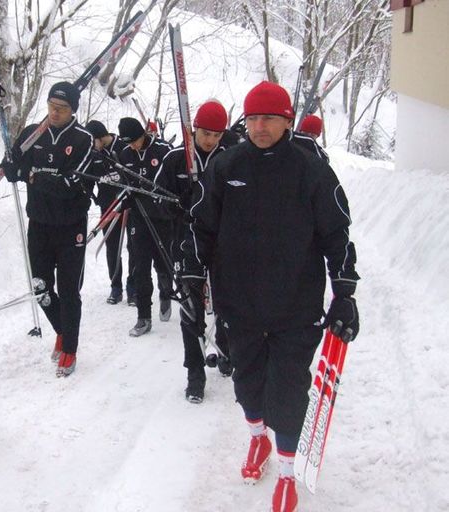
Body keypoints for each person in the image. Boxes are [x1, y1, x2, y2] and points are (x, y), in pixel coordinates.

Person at [188, 81, 360, 512]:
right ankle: (256, 441)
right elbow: (200, 228)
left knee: (287, 391)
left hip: (294, 307)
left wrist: (344, 294)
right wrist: (192, 276)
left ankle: (286, 473)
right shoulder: (226, 166)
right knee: (247, 386)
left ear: (287, 120)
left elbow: (336, 234)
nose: (260, 127)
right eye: (253, 119)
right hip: (239, 303)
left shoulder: (311, 170)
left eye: (270, 118)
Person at [1, 81, 93, 377]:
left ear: (72, 110)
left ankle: (70, 347)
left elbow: (71, 185)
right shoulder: (32, 134)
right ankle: (62, 330)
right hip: (39, 223)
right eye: (51, 107)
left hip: (71, 227)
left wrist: (34, 176)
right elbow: (13, 169)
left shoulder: (83, 140)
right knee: (40, 287)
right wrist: (12, 166)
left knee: (68, 290)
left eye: (61, 108)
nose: (54, 113)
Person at [155, 100, 236, 404]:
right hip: (186, 245)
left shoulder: (231, 159)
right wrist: (178, 203)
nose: (210, 140)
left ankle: (226, 351)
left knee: (228, 304)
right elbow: (156, 197)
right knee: (191, 310)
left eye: (216, 135)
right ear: (193, 130)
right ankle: (195, 374)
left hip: (222, 245)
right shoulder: (177, 159)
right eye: (205, 133)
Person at [117, 117, 174, 337]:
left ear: (143, 134)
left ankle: (166, 291)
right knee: (140, 266)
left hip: (162, 217)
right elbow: (123, 186)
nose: (132, 146)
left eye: (135, 141)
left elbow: (172, 181)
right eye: (128, 142)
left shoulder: (162, 150)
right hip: (139, 218)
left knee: (162, 262)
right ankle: (143, 317)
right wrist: (126, 197)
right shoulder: (124, 155)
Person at [85, 120, 136, 306]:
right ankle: (116, 287)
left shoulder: (123, 146)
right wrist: (91, 196)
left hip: (130, 206)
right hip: (108, 207)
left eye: (93, 141)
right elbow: (88, 180)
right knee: (112, 247)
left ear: (100, 136)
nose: (91, 146)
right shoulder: (94, 154)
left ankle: (133, 288)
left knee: (134, 247)